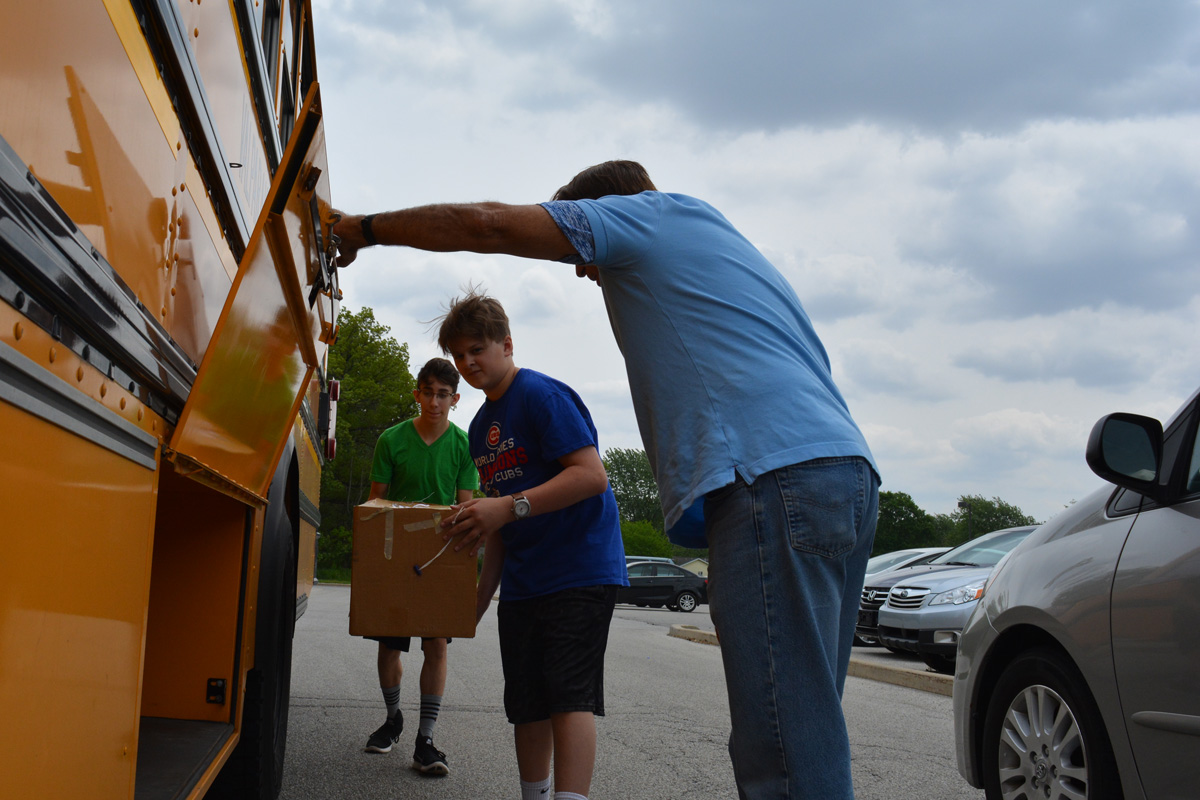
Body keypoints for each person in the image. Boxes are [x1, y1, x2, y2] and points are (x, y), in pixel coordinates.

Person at [332, 160, 880, 800]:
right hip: (842, 474)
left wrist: (363, 229)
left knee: (779, 747)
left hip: (771, 482)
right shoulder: (713, 231)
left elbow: (487, 224)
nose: (584, 270)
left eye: (578, 253)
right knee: (806, 723)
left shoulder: (640, 219)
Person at [432, 290, 627, 800]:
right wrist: (476, 602)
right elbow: (497, 526)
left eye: (477, 349)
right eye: (459, 355)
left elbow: (591, 477)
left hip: (580, 569)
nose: (468, 362)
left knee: (567, 696)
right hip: (524, 581)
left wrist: (508, 505)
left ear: (507, 344)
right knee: (526, 702)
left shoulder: (543, 396)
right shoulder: (478, 429)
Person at [361, 357, 478, 776]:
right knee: (389, 644)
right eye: (427, 392)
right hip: (397, 556)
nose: (434, 401)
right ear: (417, 394)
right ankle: (393, 720)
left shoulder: (465, 445)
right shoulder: (392, 439)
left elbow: (466, 506)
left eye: (442, 394)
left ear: (455, 399)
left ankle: (425, 740)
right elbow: (376, 505)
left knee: (437, 645)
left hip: (441, 557)